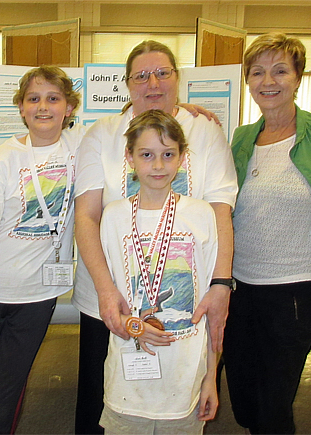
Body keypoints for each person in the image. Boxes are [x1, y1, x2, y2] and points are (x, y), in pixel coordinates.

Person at [72, 40, 238, 434]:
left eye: (163, 72)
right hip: (113, 294)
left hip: (185, 300)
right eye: (141, 75)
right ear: (127, 83)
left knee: (181, 393)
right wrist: (107, 291)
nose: (153, 83)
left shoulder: (204, 130)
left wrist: (220, 284)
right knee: (109, 397)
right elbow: (86, 217)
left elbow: (220, 214)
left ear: (178, 79)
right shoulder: (103, 133)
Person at [223, 33, 311, 434]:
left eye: (280, 70)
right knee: (245, 402)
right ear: (247, 81)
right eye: (258, 72)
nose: (269, 81)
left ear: (298, 77)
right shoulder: (242, 138)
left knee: (274, 408)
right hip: (238, 289)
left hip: (293, 293)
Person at [0, 66, 84, 434]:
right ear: (21, 107)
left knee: (1, 397)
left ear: (69, 107)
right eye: (33, 98)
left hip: (37, 297)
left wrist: (185, 108)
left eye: (53, 98)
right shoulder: (3, 159)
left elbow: (134, 121)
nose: (43, 106)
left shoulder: (81, 147)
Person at [99, 109, 218, 434]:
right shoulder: (113, 217)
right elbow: (110, 299)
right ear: (130, 157)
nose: (158, 165)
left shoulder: (201, 215)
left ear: (182, 158)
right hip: (128, 381)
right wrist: (132, 324)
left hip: (184, 381)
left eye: (168, 154)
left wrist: (211, 377)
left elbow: (212, 309)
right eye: (147, 154)